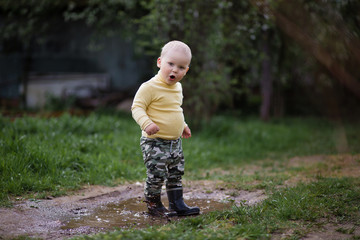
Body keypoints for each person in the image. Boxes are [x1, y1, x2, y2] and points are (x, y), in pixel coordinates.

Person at [131, 40, 200, 217]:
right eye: (171, 64)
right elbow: (137, 108)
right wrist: (146, 123)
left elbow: (175, 109)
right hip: (155, 142)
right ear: (159, 62)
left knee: (176, 173)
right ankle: (154, 204)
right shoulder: (149, 87)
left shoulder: (178, 87)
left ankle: (177, 203)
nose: (175, 70)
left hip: (174, 143)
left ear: (186, 70)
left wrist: (182, 125)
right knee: (157, 174)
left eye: (181, 67)